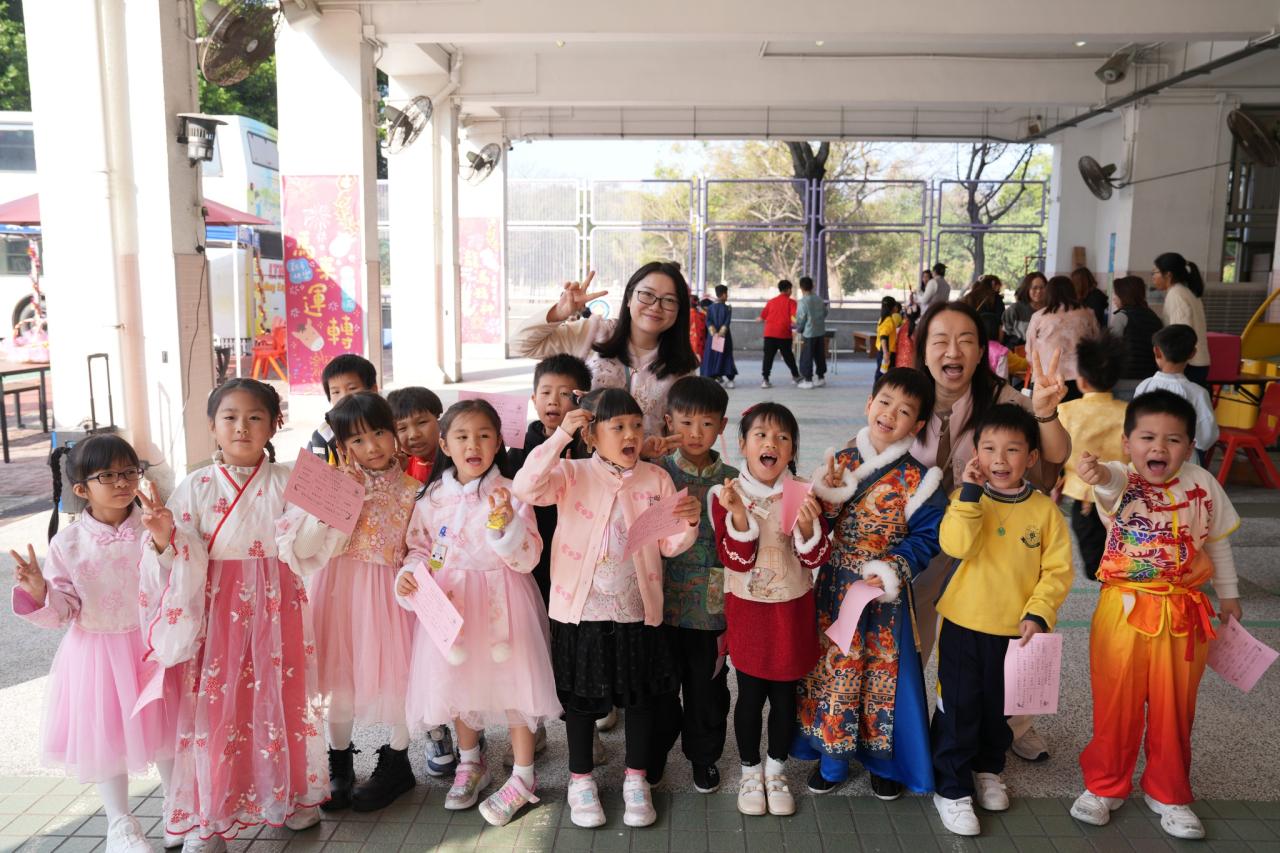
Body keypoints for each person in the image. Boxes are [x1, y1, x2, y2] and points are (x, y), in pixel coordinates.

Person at [140, 379, 327, 852]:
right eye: (230, 417)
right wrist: (164, 536)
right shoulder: (196, 485)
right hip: (218, 607)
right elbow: (179, 553)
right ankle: (213, 812)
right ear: (212, 426)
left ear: (274, 425)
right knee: (218, 707)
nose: (242, 427)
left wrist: (330, 506)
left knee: (284, 694)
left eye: (255, 417)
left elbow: (310, 546)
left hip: (278, 602)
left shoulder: (292, 478)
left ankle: (291, 794)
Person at [512, 388, 700, 829]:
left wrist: (689, 521)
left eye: (636, 426)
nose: (630, 435)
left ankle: (636, 778)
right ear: (592, 435)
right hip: (581, 612)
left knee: (639, 700)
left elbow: (670, 545)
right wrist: (560, 436)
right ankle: (580, 779)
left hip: (636, 610)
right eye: (618, 427)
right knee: (581, 703)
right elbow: (525, 486)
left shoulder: (656, 479)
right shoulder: (571, 472)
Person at [1070, 390, 1242, 841]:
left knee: (1175, 708)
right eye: (1147, 437)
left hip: (1184, 613)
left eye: (1173, 439)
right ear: (1127, 443)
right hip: (1122, 610)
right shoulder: (1121, 478)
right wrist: (1097, 473)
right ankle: (1104, 785)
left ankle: (1168, 792)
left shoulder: (1204, 484)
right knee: (1115, 702)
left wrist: (1229, 595)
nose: (1159, 447)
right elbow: (1108, 483)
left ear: (1190, 446)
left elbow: (1217, 542)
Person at [910, 301, 1070, 763]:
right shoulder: (909, 394)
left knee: (1010, 632)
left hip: (991, 540)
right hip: (925, 541)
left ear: (982, 351)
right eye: (940, 341)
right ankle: (906, 723)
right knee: (911, 636)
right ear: (923, 351)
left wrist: (1046, 412)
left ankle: (1016, 724)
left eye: (966, 341)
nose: (953, 351)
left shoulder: (1004, 399)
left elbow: (1054, 456)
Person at [395, 399, 560, 828]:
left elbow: (529, 555)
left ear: (498, 441)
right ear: (444, 445)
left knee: (516, 685)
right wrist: (410, 576)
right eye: (463, 436)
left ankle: (523, 774)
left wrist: (506, 528)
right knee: (458, 683)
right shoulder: (432, 497)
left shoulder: (513, 491)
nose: (474, 445)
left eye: (484, 435)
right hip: (451, 603)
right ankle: (470, 762)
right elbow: (419, 548)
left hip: (504, 599)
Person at [10, 435, 173, 853]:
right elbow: (64, 611)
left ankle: (178, 808)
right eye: (108, 475)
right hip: (98, 656)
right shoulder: (67, 543)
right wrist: (40, 590)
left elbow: (178, 579)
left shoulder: (155, 524)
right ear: (82, 489)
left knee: (167, 731)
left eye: (130, 471)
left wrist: (166, 540)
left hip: (155, 646)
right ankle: (120, 825)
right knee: (107, 738)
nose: (122, 482)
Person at [794, 368, 944, 800]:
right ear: (869, 404)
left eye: (905, 411)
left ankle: (884, 763)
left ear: (917, 425)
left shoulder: (921, 479)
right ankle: (832, 760)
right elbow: (820, 526)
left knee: (884, 680)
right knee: (834, 673)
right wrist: (820, 505)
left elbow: (927, 537)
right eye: (885, 402)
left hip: (884, 597)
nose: (890, 414)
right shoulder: (839, 463)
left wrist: (893, 567)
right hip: (836, 587)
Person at [931, 404, 1072, 837]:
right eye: (989, 448)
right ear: (975, 453)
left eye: (1012, 449)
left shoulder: (1045, 511)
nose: (1000, 459)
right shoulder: (964, 499)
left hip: (1016, 632)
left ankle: (987, 769)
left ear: (1031, 457)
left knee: (1000, 708)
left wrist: (1039, 612)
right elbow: (955, 545)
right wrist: (970, 496)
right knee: (958, 707)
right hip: (963, 624)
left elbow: (1057, 571)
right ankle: (951, 788)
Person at [278, 393, 421, 814]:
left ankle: (398, 760)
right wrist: (336, 500)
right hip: (336, 588)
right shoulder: (330, 484)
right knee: (337, 674)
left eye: (379, 433)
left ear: (393, 432)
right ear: (342, 446)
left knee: (397, 675)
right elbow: (302, 547)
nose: (372, 446)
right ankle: (338, 762)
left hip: (389, 594)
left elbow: (422, 543)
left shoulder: (413, 489)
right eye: (357, 440)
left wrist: (414, 567)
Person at [711, 403, 831, 818]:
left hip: (791, 612)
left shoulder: (802, 492)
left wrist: (807, 525)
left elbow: (816, 558)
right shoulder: (728, 495)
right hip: (748, 613)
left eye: (782, 437)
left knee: (785, 697)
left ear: (792, 449)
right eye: (760, 435)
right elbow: (736, 561)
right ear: (742, 444)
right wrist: (737, 515)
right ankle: (750, 771)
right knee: (749, 696)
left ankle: (776, 770)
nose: (771, 443)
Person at [650, 377, 739, 795]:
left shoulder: (734, 481)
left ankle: (704, 757)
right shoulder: (656, 474)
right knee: (661, 687)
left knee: (708, 690)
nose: (696, 433)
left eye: (706, 424)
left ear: (722, 426)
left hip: (712, 609)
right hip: (661, 605)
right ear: (669, 422)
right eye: (686, 423)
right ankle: (654, 754)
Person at [511, 263, 699, 437]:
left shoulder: (683, 368)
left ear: (679, 310)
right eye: (647, 294)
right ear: (629, 298)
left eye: (669, 300)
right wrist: (560, 312)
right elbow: (521, 344)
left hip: (648, 462)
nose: (656, 306)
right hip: (582, 460)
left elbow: (682, 431)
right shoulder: (594, 333)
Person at [506, 353, 594, 602]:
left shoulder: (590, 444)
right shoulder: (523, 444)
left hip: (576, 545)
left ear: (582, 400)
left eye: (565, 393)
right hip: (535, 540)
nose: (553, 400)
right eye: (545, 393)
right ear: (534, 399)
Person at [1058, 334, 1129, 581]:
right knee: (1122, 554)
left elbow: (1056, 453)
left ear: (1081, 379)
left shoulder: (1065, 411)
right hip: (1123, 497)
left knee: (1094, 563)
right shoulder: (1129, 412)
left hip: (1084, 498)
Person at [1133, 325, 1219, 460]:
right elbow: (1207, 437)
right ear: (1193, 353)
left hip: (1148, 455)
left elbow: (1134, 424)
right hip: (1183, 458)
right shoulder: (1198, 393)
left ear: (1157, 351)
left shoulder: (1144, 386)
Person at [1025, 275, 1100, 401]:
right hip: (1081, 377)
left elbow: (1030, 351)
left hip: (1048, 378)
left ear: (1049, 293)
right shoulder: (1088, 314)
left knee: (1048, 412)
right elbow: (1097, 343)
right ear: (1072, 291)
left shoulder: (1039, 317)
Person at [1152, 252, 1211, 386]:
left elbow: (1179, 335)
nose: (1153, 277)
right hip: (1195, 362)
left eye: (1155, 272)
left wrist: (1172, 367)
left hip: (1187, 365)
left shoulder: (1176, 294)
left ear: (1168, 275)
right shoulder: (1185, 291)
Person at [309, 354, 378, 465]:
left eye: (352, 388)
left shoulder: (388, 426)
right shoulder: (322, 436)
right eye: (336, 392)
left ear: (373, 390)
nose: (344, 397)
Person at [1107, 276, 1163, 401]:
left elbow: (1111, 351)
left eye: (1116, 295)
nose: (1114, 298)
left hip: (1124, 381)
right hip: (1150, 381)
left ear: (1125, 295)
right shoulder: (1154, 318)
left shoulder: (1121, 317)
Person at [387, 386, 443, 484]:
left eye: (422, 422)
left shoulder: (458, 461)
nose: (414, 435)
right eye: (401, 428)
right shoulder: (401, 470)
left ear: (439, 420)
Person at [759, 279, 801, 389]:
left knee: (768, 357)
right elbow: (794, 318)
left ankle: (765, 379)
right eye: (791, 289)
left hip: (769, 334)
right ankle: (796, 376)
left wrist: (759, 319)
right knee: (788, 356)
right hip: (784, 334)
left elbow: (762, 316)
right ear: (788, 290)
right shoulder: (792, 302)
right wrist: (795, 328)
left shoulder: (771, 302)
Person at [701, 284, 738, 388]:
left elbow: (708, 321)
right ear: (723, 294)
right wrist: (722, 332)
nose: (727, 296)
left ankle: (713, 377)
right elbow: (727, 321)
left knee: (712, 356)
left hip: (712, 337)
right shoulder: (728, 308)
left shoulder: (710, 308)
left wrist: (713, 332)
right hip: (724, 337)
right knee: (726, 355)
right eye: (726, 294)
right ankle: (730, 379)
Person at [795, 276, 828, 389]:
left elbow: (801, 318)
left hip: (809, 333)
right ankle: (821, 378)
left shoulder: (803, 302)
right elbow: (825, 313)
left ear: (801, 288)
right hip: (820, 331)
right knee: (819, 355)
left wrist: (799, 329)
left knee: (807, 356)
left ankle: (808, 380)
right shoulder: (819, 299)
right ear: (812, 286)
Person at [1001, 272, 1046, 347]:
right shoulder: (1015, 309)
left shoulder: (1051, 310)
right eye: (1034, 288)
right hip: (1018, 351)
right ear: (1027, 289)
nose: (1038, 291)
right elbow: (1004, 333)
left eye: (1042, 288)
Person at [964, 275, 1005, 342]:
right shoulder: (996, 299)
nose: (999, 290)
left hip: (969, 333)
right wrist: (1000, 342)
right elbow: (1001, 323)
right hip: (988, 337)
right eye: (999, 287)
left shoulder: (969, 296)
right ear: (993, 284)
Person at [874, 296, 900, 384]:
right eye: (895, 305)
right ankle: (877, 391)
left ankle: (878, 390)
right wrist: (886, 353)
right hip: (887, 352)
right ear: (892, 307)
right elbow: (883, 337)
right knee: (883, 376)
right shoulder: (888, 320)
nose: (897, 307)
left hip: (882, 352)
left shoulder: (882, 319)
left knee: (882, 374)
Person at [690, 297, 710, 363]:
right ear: (697, 303)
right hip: (701, 344)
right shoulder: (702, 316)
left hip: (688, 344)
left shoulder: (684, 316)